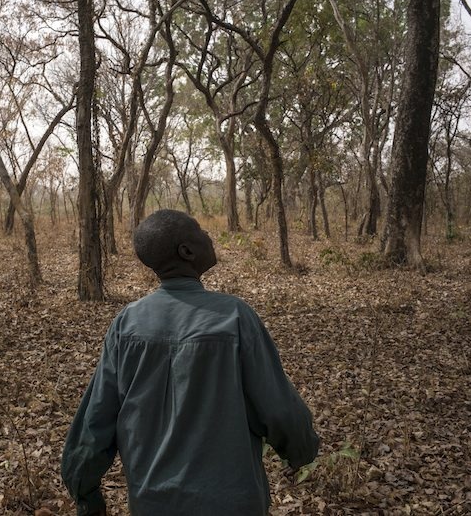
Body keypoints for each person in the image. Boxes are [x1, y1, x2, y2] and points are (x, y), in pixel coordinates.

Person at [61, 209, 319, 516]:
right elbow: (279, 408)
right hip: (231, 502)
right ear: (187, 251)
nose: (208, 234)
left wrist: (86, 493)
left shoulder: (127, 323)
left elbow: (96, 421)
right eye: (199, 230)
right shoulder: (234, 317)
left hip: (151, 503)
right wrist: (301, 451)